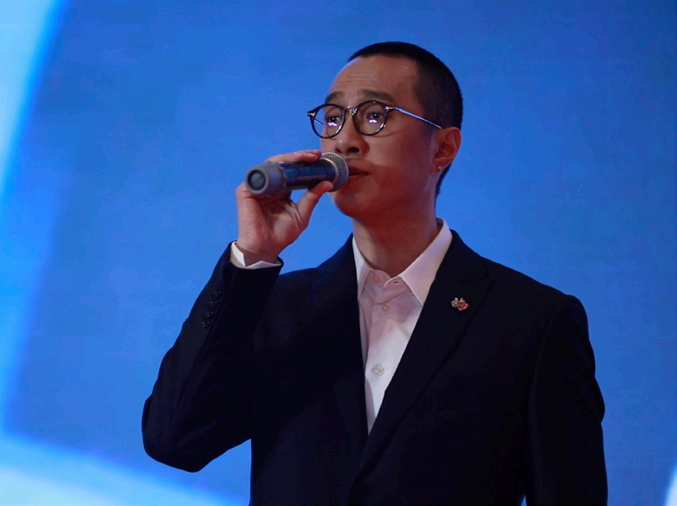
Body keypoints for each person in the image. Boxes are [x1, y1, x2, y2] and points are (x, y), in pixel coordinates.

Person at [142, 42, 607, 505]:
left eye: (374, 115)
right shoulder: (278, 307)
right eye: (333, 118)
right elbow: (174, 440)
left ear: (443, 148)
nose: (344, 139)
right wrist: (252, 257)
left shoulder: (530, 322)